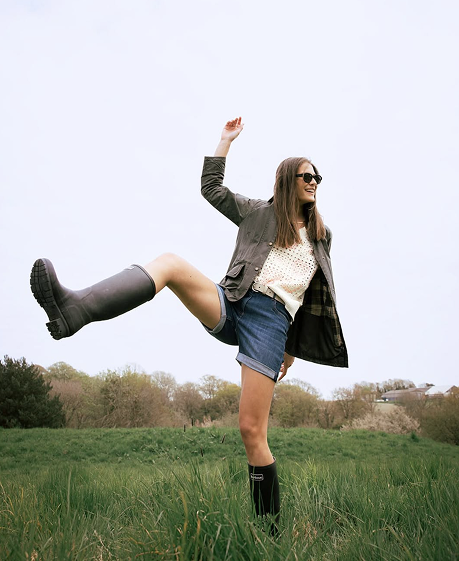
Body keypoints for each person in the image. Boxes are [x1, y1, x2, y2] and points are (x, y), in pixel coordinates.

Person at [30, 117, 347, 534]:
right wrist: (224, 141)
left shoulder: (321, 236)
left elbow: (307, 298)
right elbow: (211, 189)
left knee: (252, 431)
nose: (315, 182)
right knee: (170, 264)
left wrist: (291, 349)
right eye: (308, 176)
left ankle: (269, 534)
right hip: (233, 300)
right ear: (288, 179)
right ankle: (76, 310)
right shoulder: (258, 213)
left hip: (271, 323)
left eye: (318, 177)